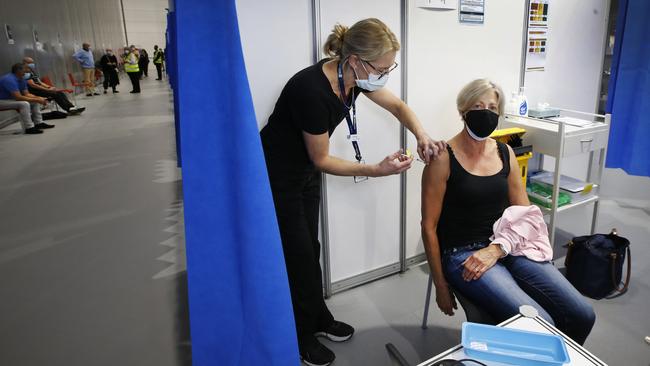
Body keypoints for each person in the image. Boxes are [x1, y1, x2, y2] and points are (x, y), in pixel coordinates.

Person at [260, 18, 445, 366]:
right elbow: (322, 158)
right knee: (295, 254)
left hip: (305, 172)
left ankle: (317, 317)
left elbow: (398, 107)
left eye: (391, 67)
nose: (385, 74)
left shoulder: (354, 79)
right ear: (356, 59)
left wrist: (422, 135)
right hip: (277, 173)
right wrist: (375, 170)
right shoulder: (310, 90)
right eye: (382, 67)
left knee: (309, 248)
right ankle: (298, 336)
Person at [420, 79, 595, 345]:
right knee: (540, 324)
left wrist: (499, 248)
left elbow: (526, 215)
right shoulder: (443, 158)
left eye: (492, 107)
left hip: (506, 244)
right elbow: (429, 226)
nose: (486, 113)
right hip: (463, 254)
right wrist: (440, 286)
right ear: (463, 111)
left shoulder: (505, 153)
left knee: (583, 314)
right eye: (478, 106)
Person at [0, 63, 55, 134]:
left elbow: (27, 94)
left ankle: (39, 123)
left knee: (34, 102)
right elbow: (18, 97)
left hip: (10, 99)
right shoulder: (9, 79)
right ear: (18, 70)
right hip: (2, 101)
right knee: (24, 104)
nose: (27, 71)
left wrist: (39, 98)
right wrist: (37, 99)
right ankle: (29, 128)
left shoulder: (21, 79)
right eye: (25, 69)